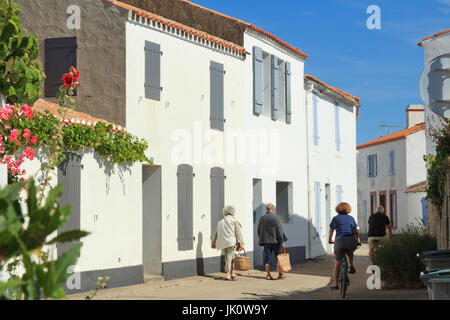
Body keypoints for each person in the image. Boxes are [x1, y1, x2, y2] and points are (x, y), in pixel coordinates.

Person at [328, 202, 361, 290]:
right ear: (348, 209)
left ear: (337, 209)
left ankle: (335, 284)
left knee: (338, 262)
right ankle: (351, 265)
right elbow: (356, 231)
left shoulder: (335, 219)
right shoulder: (351, 218)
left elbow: (331, 230)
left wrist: (330, 240)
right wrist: (357, 240)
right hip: (350, 240)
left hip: (339, 241)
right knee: (350, 251)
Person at [211, 205, 244, 281]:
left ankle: (232, 273)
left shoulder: (220, 222)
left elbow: (216, 233)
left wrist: (213, 242)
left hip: (223, 242)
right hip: (231, 242)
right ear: (232, 212)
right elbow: (238, 233)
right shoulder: (234, 221)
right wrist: (240, 242)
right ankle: (227, 274)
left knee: (230, 257)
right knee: (229, 257)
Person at [257, 203, 288, 280]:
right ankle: (280, 274)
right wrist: (282, 241)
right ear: (272, 209)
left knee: (267, 258)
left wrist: (262, 238)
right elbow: (280, 231)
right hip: (276, 241)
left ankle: (268, 275)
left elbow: (259, 230)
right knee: (279, 257)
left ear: (266, 209)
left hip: (266, 242)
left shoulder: (262, 218)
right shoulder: (275, 218)